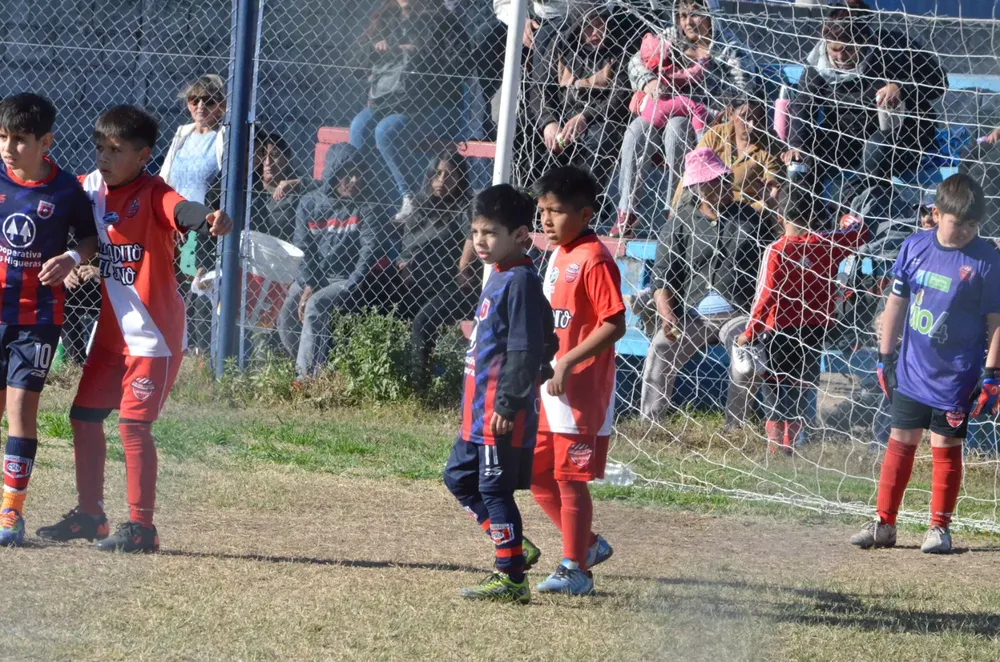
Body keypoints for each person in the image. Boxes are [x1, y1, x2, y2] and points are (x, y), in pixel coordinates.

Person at [35, 105, 233, 553]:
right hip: (111, 336)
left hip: (154, 337)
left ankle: (142, 527)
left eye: (117, 150)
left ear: (143, 156)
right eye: (100, 148)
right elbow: (54, 189)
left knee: (133, 427)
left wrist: (209, 218)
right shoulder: (90, 187)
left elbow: (181, 209)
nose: (105, 157)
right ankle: (91, 515)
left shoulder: (154, 192)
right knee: (83, 419)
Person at [849, 173, 1000, 555]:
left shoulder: (986, 259)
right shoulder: (914, 247)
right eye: (956, 222)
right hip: (912, 369)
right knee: (900, 441)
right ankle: (884, 523)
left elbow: (996, 321)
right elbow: (895, 304)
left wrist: (993, 374)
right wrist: (885, 357)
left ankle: (939, 528)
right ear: (935, 213)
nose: (965, 230)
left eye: (972, 224)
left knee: (945, 446)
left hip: (957, 376)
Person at [444, 183, 557, 604]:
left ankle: (510, 577)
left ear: (521, 235)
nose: (480, 242)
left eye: (490, 233)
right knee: (457, 477)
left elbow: (528, 346)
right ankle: (515, 547)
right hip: (477, 411)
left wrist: (509, 402)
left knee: (494, 491)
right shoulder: (500, 277)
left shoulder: (521, 281)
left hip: (499, 411)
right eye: (476, 233)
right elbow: (544, 337)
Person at [0, 93, 99, 546]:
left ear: (46, 143)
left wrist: (72, 257)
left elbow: (89, 239)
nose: (7, 147)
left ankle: (10, 515)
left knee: (21, 411)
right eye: (2, 136)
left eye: (19, 139)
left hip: (38, 318)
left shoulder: (65, 192)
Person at [530, 166, 626, 595]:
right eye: (542, 211)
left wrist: (567, 361)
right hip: (550, 387)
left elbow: (615, 323)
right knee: (534, 474)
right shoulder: (557, 253)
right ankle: (584, 546)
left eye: (555, 211)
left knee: (570, 478)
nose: (546, 220)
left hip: (581, 389)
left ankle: (577, 571)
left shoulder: (594, 257)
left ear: (585, 214)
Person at [639, 148, 775, 423]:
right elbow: (662, 276)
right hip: (693, 315)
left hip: (739, 314)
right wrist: (667, 314)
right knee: (661, 349)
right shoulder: (680, 223)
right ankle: (649, 425)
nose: (724, 184)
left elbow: (770, 264)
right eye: (715, 181)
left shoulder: (752, 219)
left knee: (746, 361)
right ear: (699, 187)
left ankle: (734, 429)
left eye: (725, 178)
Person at [738, 184, 869, 452]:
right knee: (801, 385)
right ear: (814, 216)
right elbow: (861, 231)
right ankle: (793, 443)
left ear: (778, 218)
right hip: (814, 329)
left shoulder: (777, 249)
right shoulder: (828, 244)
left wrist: (749, 333)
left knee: (774, 386)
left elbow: (765, 295)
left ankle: (774, 445)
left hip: (780, 328)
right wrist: (840, 213)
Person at [615, 0, 756, 237]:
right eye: (682, 15)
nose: (687, 22)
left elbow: (745, 84)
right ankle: (626, 211)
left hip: (704, 118)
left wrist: (717, 102)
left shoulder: (726, 45)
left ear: (711, 15)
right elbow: (635, 61)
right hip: (665, 107)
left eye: (695, 15)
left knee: (676, 129)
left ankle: (677, 207)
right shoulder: (671, 37)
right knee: (636, 130)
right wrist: (649, 82)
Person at [783, 9, 945, 204]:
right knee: (805, 153)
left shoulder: (895, 48)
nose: (841, 57)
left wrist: (901, 87)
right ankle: (808, 214)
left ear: (864, 42)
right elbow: (803, 105)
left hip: (900, 137)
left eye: (849, 50)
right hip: (845, 137)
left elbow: (939, 81)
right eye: (834, 50)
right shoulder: (819, 64)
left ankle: (852, 207)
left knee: (877, 146)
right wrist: (797, 145)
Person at [350, 0, 471, 222]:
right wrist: (376, 48)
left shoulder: (442, 19)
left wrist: (419, 56)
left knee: (386, 130)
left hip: (435, 106)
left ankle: (410, 197)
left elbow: (463, 65)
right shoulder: (384, 18)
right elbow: (356, 66)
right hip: (389, 101)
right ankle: (362, 197)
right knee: (359, 125)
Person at [277, 144, 387, 380]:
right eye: (347, 173)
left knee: (315, 305)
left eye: (360, 173)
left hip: (346, 279)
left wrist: (350, 285)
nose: (355, 180)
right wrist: (309, 284)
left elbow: (369, 253)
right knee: (287, 310)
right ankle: (312, 366)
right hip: (314, 277)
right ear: (334, 174)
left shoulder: (367, 207)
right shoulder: (309, 204)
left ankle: (304, 380)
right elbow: (303, 249)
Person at [526, 8, 636, 190]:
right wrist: (548, 122)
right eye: (588, 27)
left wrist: (586, 117)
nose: (595, 33)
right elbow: (539, 88)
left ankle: (585, 199)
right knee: (524, 129)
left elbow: (620, 98)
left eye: (600, 25)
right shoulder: (561, 46)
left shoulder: (620, 50)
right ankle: (534, 198)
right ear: (578, 28)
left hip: (599, 118)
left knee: (600, 138)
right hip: (561, 116)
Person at [160, 74, 228, 351]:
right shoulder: (182, 134)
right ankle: (177, 349)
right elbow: (165, 179)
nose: (201, 106)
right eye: (194, 99)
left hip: (207, 227)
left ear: (222, 105)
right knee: (174, 292)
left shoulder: (223, 136)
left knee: (200, 293)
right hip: (176, 225)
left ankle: (203, 355)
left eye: (210, 101)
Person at [388, 152, 471, 320]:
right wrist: (403, 265)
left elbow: (472, 236)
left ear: (460, 179)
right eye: (438, 173)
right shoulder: (420, 203)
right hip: (413, 278)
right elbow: (407, 244)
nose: (442, 179)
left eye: (451, 175)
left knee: (421, 320)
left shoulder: (464, 206)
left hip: (444, 283)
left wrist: (463, 268)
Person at [669, 98, 782, 217]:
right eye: (745, 117)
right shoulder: (716, 135)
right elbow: (692, 173)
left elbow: (772, 194)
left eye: (758, 118)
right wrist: (675, 212)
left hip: (747, 215)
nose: (752, 125)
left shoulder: (770, 146)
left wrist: (744, 213)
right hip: (707, 208)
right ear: (730, 114)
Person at [62, 262, 102, 365]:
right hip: (75, 290)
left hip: (104, 292)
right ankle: (76, 363)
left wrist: (100, 272)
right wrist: (64, 271)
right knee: (61, 308)